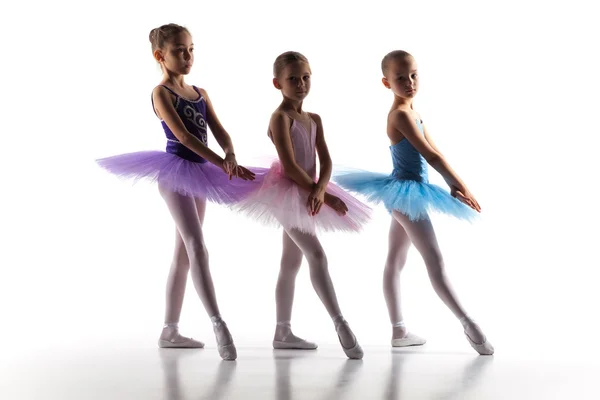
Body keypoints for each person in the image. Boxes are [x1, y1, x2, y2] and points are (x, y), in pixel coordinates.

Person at [97, 23, 264, 360]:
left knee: (184, 253)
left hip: (200, 174)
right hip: (175, 174)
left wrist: (230, 154)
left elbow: (220, 131)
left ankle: (169, 330)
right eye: (179, 51)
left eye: (191, 49)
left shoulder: (200, 92)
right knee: (197, 245)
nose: (187, 56)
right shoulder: (161, 93)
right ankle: (218, 323)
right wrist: (222, 164)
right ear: (160, 56)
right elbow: (185, 138)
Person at [334, 50, 494, 355]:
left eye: (413, 75)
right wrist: (459, 186)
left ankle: (399, 332)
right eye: (400, 78)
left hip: (407, 192)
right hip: (406, 195)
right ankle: (469, 325)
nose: (409, 82)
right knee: (434, 261)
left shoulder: (413, 111)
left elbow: (435, 149)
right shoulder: (401, 115)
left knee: (396, 259)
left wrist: (455, 184)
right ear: (386, 83)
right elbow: (432, 156)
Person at [235, 51, 371, 359]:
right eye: (293, 79)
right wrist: (320, 192)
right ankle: (340, 323)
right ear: (277, 83)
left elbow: (325, 158)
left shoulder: (314, 119)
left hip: (310, 190)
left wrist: (322, 188)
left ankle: (282, 332)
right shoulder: (279, 118)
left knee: (290, 262)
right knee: (316, 254)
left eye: (306, 77)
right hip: (286, 192)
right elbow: (290, 165)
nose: (301, 84)